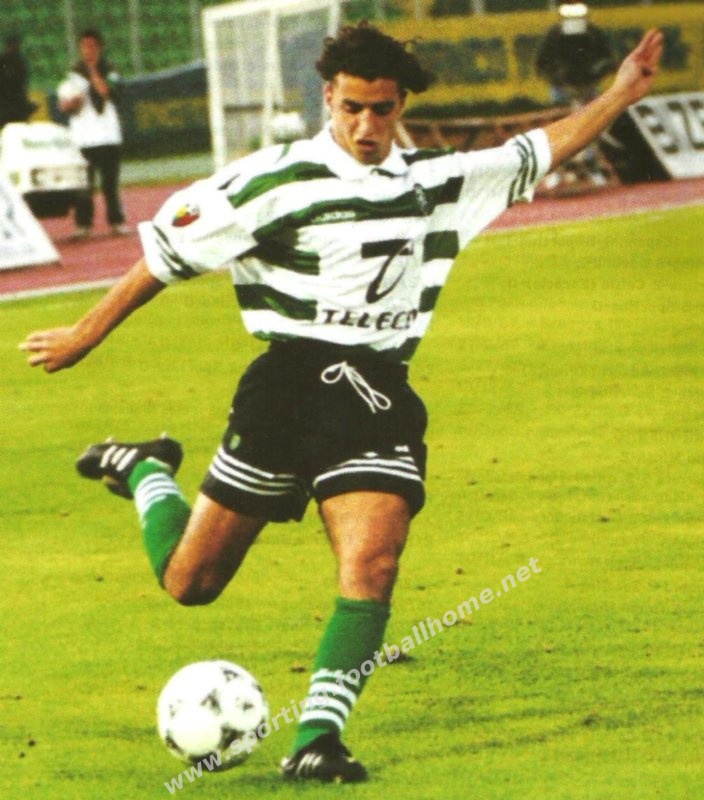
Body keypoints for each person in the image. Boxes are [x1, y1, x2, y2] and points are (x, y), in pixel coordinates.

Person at [20, 23, 663, 783]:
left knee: (373, 561)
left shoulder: (436, 181)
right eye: (352, 107)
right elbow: (164, 257)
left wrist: (621, 93)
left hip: (376, 393)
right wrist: (84, 335)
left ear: (400, 106)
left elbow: (540, 148)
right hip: (285, 391)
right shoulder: (272, 180)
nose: (365, 126)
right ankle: (146, 471)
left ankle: (317, 738)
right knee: (190, 583)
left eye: (381, 109)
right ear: (327, 97)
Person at [57, 27, 129, 239]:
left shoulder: (110, 70)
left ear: (100, 48)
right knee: (84, 185)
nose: (88, 51)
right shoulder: (74, 73)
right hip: (83, 137)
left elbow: (106, 92)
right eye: (84, 46)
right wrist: (73, 101)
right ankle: (83, 225)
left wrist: (93, 72)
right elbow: (65, 105)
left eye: (92, 46)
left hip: (108, 135)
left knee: (110, 184)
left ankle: (116, 222)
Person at [536, 3, 616, 187]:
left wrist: (597, 70)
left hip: (588, 86)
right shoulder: (554, 35)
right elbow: (541, 62)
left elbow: (608, 58)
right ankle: (557, 167)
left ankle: (591, 164)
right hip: (562, 87)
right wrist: (556, 76)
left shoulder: (594, 33)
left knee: (592, 125)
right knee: (560, 125)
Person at [0, 33, 37, 129]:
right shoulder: (5, 60)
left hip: (16, 102)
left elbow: (22, 83)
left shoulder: (20, 61)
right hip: (6, 102)